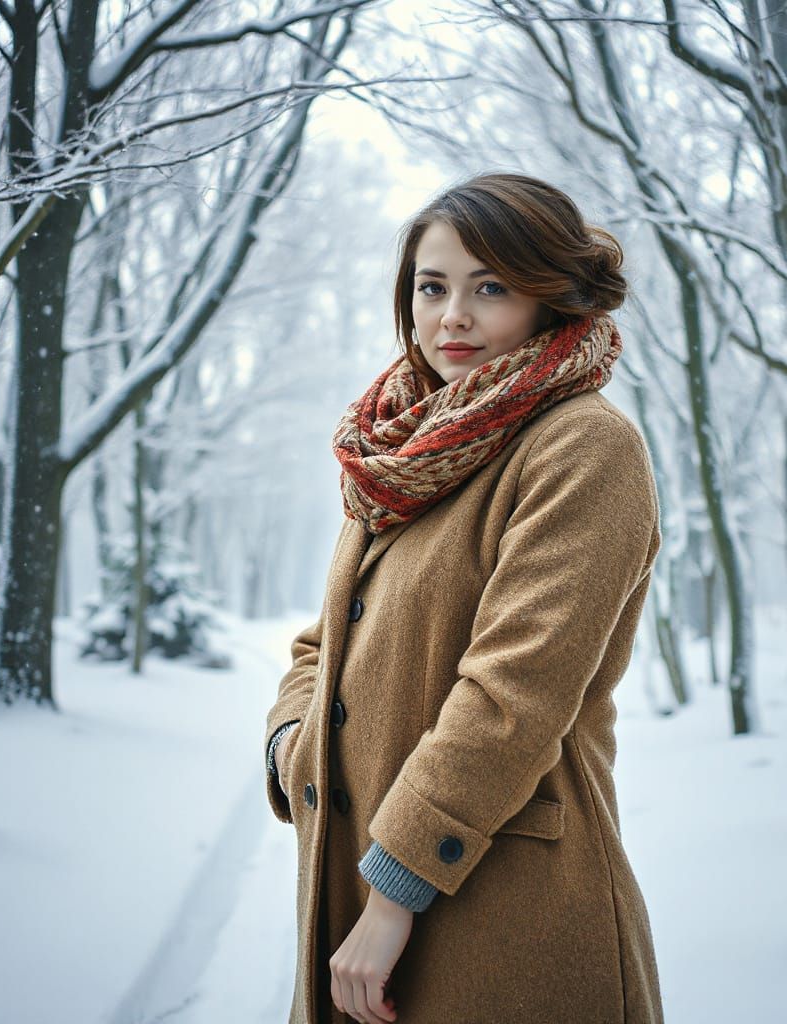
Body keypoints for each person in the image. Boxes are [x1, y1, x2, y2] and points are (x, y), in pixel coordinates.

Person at [264, 171, 665, 1024]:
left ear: (550, 296)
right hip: (360, 891)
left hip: (499, 906)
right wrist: (289, 746)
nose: (454, 315)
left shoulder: (583, 447)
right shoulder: (408, 450)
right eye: (433, 286)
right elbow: (325, 640)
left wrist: (392, 892)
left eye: (491, 287)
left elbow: (512, 694)